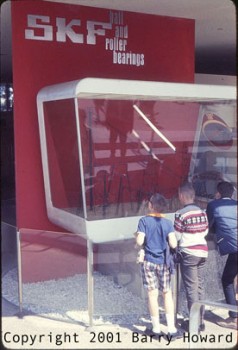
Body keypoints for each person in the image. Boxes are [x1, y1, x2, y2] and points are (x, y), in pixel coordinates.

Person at [135, 193, 183, 339]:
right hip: (163, 262)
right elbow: (174, 244)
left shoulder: (143, 221)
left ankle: (155, 329)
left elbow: (139, 241)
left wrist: (137, 236)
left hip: (149, 261)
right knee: (167, 294)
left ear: (150, 205)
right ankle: (171, 329)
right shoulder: (168, 223)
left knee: (152, 294)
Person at [174, 182, 209, 332]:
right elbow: (206, 230)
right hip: (203, 251)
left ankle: (194, 323)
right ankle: (201, 321)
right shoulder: (202, 212)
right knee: (199, 286)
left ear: (181, 196)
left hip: (189, 253)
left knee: (191, 289)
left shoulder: (180, 214)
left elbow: (176, 236)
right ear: (193, 196)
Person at [206, 181, 238, 330]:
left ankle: (234, 318)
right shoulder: (235, 204)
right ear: (232, 193)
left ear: (218, 193)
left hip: (235, 248)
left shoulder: (213, 205)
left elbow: (208, 226)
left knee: (227, 280)